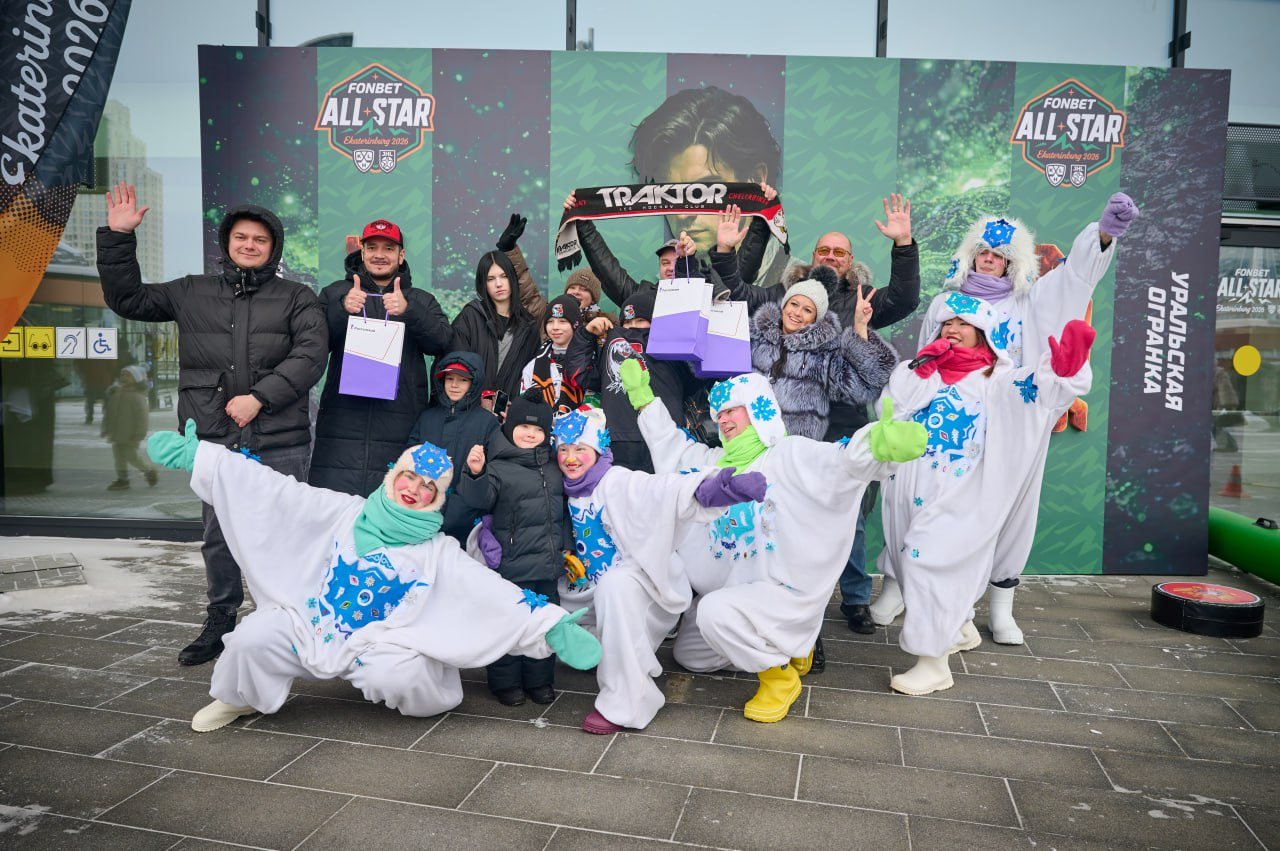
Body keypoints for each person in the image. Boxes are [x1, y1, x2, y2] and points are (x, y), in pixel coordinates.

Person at [144, 427, 601, 731]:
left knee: (401, 677)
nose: (414, 489)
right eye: (410, 477)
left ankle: (438, 698)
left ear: (436, 499)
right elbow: (278, 492)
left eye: (428, 487)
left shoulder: (437, 550)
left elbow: (489, 590)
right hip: (313, 625)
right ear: (393, 475)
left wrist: (550, 625)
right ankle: (241, 697)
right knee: (252, 638)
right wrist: (204, 458)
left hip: (382, 642)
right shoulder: (346, 511)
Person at [873, 193, 1138, 644]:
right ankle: (898, 585)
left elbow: (1073, 280)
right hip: (945, 424)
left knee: (1009, 509)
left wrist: (1103, 236)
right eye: (983, 251)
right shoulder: (945, 303)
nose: (989, 259)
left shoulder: (1029, 302)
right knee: (913, 497)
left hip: (1008, 419)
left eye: (999, 254)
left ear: (1012, 262)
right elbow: (924, 359)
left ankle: (1000, 604)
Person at [96, 181, 327, 666]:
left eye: (260, 239)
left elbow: (311, 355)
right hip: (216, 439)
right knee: (219, 536)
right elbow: (129, 300)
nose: (249, 245)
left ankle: (288, 620)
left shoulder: (297, 298)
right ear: (227, 242)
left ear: (273, 248)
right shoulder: (191, 291)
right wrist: (118, 238)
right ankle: (221, 620)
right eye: (241, 237)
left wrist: (259, 398)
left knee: (284, 534)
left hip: (280, 439)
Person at [622, 367, 925, 723]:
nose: (723, 419)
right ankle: (788, 648)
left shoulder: (788, 455)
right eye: (719, 414)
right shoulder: (712, 464)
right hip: (739, 595)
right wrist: (645, 403)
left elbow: (840, 463)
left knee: (713, 613)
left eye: (732, 410)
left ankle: (778, 678)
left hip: (783, 592)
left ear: (757, 408)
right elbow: (671, 446)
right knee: (691, 656)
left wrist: (875, 446)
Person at [721, 192, 921, 636]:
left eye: (839, 252)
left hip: (843, 419)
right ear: (812, 258)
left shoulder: (863, 297)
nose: (830, 257)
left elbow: (906, 298)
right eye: (823, 250)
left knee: (849, 514)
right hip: (787, 429)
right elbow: (737, 294)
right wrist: (724, 250)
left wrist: (903, 244)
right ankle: (780, 594)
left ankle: (854, 597)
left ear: (851, 261)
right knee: (782, 515)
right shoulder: (784, 295)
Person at [876, 293, 1095, 694]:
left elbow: (1042, 394)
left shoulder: (998, 380)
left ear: (984, 334)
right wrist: (922, 369)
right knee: (909, 561)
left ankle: (933, 663)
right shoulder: (920, 370)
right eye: (947, 323)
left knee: (929, 561)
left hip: (962, 493)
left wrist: (1063, 373)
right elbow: (889, 410)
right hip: (909, 487)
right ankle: (958, 627)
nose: (952, 329)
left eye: (963, 324)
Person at [549, 405, 766, 734]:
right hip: (583, 591)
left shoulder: (615, 481)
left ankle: (628, 703)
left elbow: (661, 490)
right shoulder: (557, 486)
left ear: (597, 449)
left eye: (580, 449)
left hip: (639, 587)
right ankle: (609, 652)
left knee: (615, 586)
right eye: (564, 449)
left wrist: (720, 490)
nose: (570, 458)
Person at [713, 209, 897, 442]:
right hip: (759, 440)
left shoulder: (825, 355)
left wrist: (860, 327)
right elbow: (736, 295)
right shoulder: (759, 332)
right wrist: (725, 250)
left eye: (808, 310)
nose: (797, 313)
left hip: (814, 443)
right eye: (793, 304)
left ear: (816, 320)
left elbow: (865, 384)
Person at [309, 219, 453, 496]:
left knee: (391, 505)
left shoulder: (421, 300)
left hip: (400, 423)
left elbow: (442, 342)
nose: (379, 255)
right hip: (342, 423)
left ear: (401, 255)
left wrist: (410, 311)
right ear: (361, 252)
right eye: (372, 247)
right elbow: (314, 343)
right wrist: (342, 309)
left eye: (388, 248)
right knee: (336, 509)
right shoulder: (335, 293)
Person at [456, 395, 567, 706]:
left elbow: (564, 515)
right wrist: (475, 473)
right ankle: (505, 682)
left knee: (544, 623)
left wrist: (566, 549)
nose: (530, 434)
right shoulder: (498, 467)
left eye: (538, 430)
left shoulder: (553, 467)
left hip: (547, 566)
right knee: (508, 624)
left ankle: (540, 680)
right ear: (509, 427)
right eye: (523, 427)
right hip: (511, 566)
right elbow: (478, 500)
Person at [630, 86, 787, 282]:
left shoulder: (794, 289)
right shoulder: (664, 289)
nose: (682, 215)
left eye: (703, 193)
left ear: (755, 179)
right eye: (671, 195)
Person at [562, 288, 701, 473]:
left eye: (640, 321)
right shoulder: (609, 347)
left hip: (665, 438)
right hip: (619, 440)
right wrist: (585, 335)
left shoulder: (672, 347)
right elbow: (578, 375)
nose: (633, 327)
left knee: (667, 491)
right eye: (627, 323)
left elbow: (696, 380)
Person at [405, 352, 501, 545]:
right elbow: (408, 461)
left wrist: (458, 512)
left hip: (465, 522)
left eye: (463, 380)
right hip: (421, 514)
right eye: (449, 379)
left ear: (473, 384)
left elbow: (491, 473)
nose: (454, 385)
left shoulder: (487, 423)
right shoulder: (428, 417)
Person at [450, 249, 540, 400]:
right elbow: (455, 369)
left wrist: (515, 406)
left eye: (504, 276)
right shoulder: (470, 317)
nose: (499, 284)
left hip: (510, 411)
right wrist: (478, 401)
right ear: (483, 284)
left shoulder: (528, 326)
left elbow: (532, 378)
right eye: (490, 279)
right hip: (471, 408)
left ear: (512, 278)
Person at [520, 295, 586, 414]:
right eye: (550, 322)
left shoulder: (589, 359)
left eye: (562, 321)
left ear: (575, 324)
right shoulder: (533, 365)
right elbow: (525, 406)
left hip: (585, 424)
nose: (555, 327)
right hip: (542, 425)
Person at [101, 365, 158, 491]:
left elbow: (142, 417)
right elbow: (109, 413)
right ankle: (122, 480)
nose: (124, 378)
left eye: (128, 376)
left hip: (131, 435)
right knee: (119, 458)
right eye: (123, 375)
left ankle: (148, 471)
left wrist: (140, 433)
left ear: (136, 379)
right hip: (116, 433)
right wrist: (105, 428)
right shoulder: (116, 393)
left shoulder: (138, 396)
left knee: (132, 457)